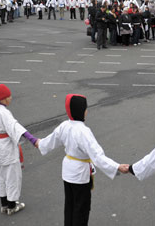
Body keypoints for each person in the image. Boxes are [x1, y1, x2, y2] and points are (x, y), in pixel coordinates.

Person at [37, 94, 123, 226]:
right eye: (85, 108)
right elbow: (97, 156)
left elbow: (50, 141)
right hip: (80, 174)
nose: (87, 111)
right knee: (81, 209)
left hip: (68, 172)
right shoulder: (83, 131)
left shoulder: (64, 125)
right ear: (81, 110)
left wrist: (39, 143)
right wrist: (116, 167)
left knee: (70, 206)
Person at [0, 84, 39, 215]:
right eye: (9, 96)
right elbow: (15, 127)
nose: (11, 98)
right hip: (7, 148)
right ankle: (12, 206)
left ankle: (4, 204)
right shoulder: (4, 113)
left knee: (2, 177)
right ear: (3, 99)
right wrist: (32, 139)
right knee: (12, 177)